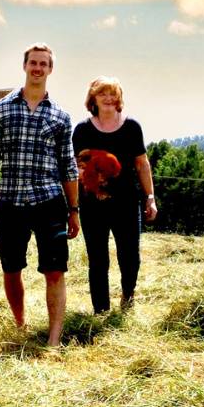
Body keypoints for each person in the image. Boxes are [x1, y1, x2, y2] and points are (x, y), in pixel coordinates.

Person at [0, 43, 79, 347]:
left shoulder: (61, 116)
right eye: (33, 63)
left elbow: (68, 167)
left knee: (55, 270)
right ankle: (20, 324)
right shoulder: (1, 110)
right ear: (24, 66)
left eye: (43, 64)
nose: (37, 68)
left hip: (49, 202)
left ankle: (54, 339)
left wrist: (74, 210)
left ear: (50, 69)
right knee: (11, 269)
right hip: (10, 203)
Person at [72, 77, 158, 314]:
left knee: (129, 256)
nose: (108, 99)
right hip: (93, 203)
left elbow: (142, 164)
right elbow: (79, 167)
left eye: (113, 94)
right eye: (102, 94)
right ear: (93, 99)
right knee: (98, 258)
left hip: (127, 203)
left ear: (119, 98)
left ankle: (128, 298)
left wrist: (150, 197)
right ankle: (101, 310)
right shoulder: (82, 130)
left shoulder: (132, 127)